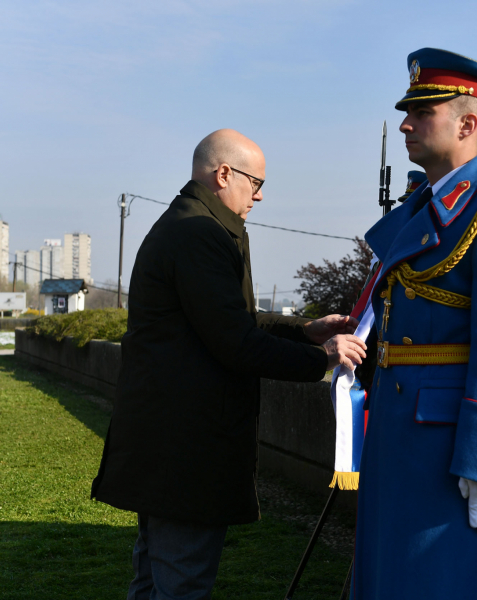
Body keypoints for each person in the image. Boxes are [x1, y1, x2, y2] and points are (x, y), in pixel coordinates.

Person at [90, 129, 367, 600]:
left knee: (155, 577)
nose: (259, 196)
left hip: (166, 441)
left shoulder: (192, 224)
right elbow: (236, 342)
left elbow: (233, 318)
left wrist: (305, 330)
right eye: (256, 183)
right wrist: (322, 357)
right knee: (180, 582)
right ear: (224, 174)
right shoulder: (200, 233)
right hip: (186, 446)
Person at [352, 49, 477, 599]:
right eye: (408, 112)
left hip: (454, 453)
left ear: (467, 124)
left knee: (456, 581)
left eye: (422, 112)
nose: (406, 124)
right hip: (403, 439)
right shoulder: (428, 209)